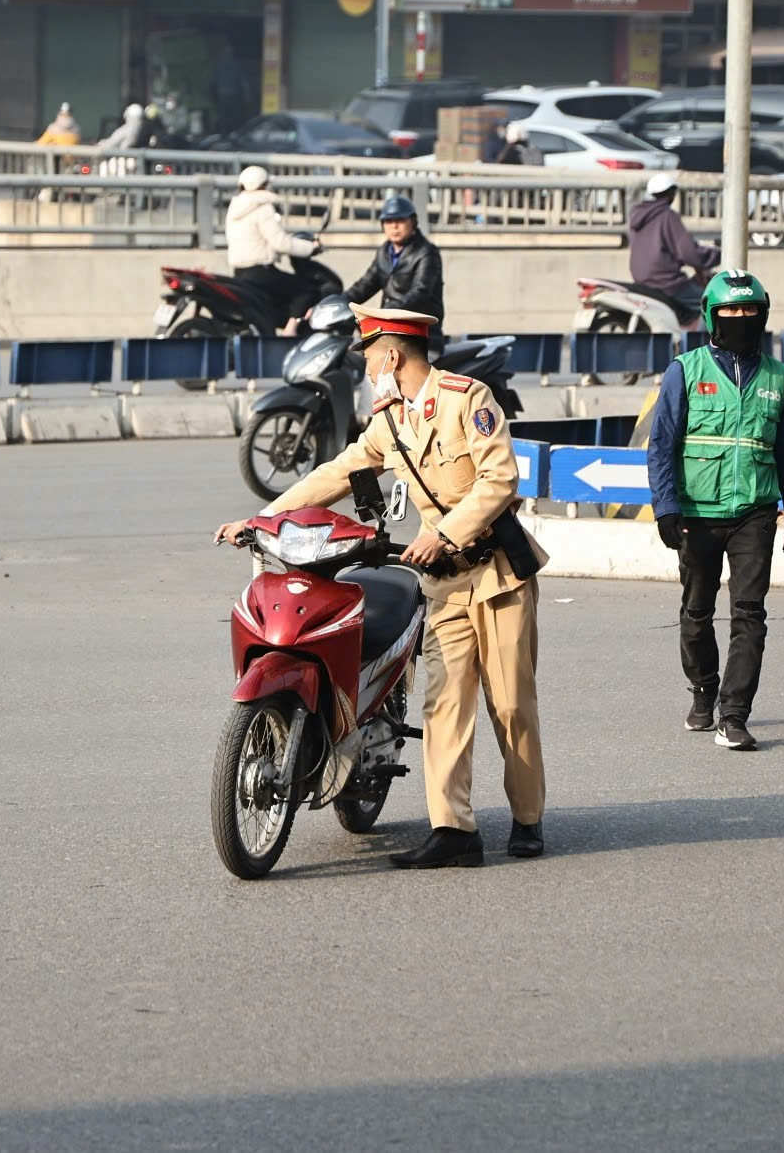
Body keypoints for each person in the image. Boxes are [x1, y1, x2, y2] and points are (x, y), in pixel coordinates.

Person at [216, 304, 547, 867]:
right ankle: (454, 830)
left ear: (392, 355)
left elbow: (499, 481)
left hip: (496, 576)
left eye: (370, 358)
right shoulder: (391, 419)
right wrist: (263, 519)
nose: (369, 371)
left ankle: (527, 818)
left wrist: (442, 532)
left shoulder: (469, 400)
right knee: (444, 704)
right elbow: (339, 471)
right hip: (444, 583)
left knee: (510, 704)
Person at [645, 270, 784, 750]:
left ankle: (734, 714)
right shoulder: (686, 370)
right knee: (696, 612)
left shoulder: (779, 377)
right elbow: (662, 445)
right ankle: (703, 690)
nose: (741, 319)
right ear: (712, 317)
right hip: (696, 515)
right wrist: (666, 507)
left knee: (749, 614)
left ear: (763, 315)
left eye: (749, 311)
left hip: (754, 513)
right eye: (731, 311)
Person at [226, 165, 321, 327]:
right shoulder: (262, 207)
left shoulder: (235, 207)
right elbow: (280, 243)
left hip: (240, 271)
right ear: (262, 186)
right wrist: (311, 248)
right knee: (306, 290)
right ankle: (290, 331)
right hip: (261, 271)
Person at [344, 195, 444, 328]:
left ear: (413, 222)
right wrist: (338, 302)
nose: (395, 226)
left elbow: (420, 292)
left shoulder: (426, 252)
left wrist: (387, 311)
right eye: (389, 221)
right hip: (389, 327)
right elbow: (365, 285)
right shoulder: (384, 252)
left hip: (420, 332)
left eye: (401, 220)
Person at [628, 173, 718, 320]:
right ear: (671, 193)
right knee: (714, 303)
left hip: (642, 281)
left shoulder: (637, 216)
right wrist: (715, 255)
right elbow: (688, 253)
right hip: (666, 283)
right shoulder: (668, 216)